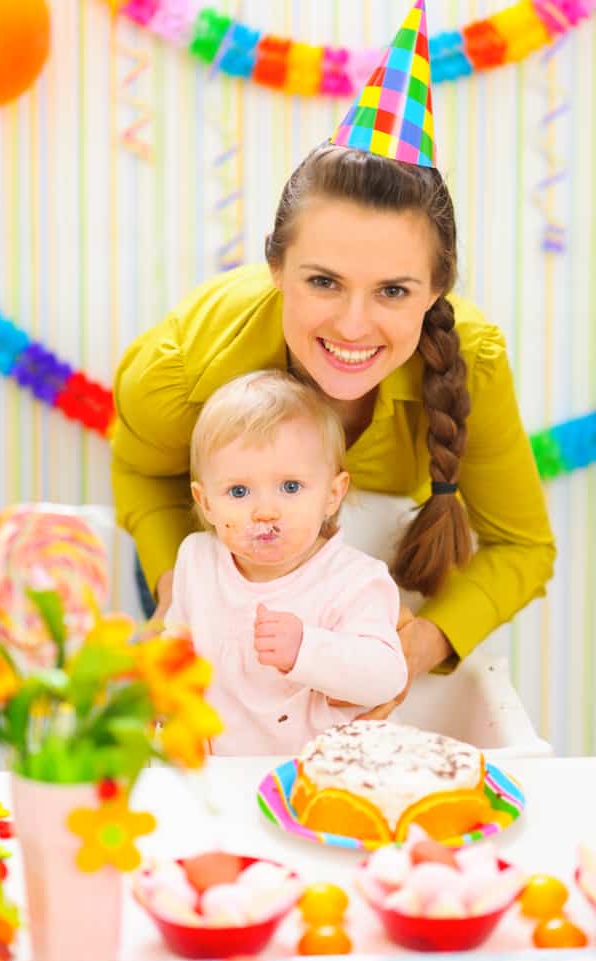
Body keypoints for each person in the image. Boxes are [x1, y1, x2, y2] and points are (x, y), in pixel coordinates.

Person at [111, 2, 556, 720]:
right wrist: (173, 585)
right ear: (275, 267)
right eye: (322, 281)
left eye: (392, 291)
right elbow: (142, 467)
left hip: (364, 603)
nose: (353, 325)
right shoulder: (190, 359)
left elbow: (522, 546)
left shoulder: (468, 361)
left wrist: (415, 647)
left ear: (437, 288)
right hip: (217, 575)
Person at [164, 369, 408, 754]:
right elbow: (179, 637)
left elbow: (387, 677)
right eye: (239, 491)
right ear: (206, 501)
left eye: (290, 487)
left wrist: (306, 649)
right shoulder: (197, 561)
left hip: (319, 776)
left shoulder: (355, 581)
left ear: (332, 494)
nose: (265, 511)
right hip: (219, 774)